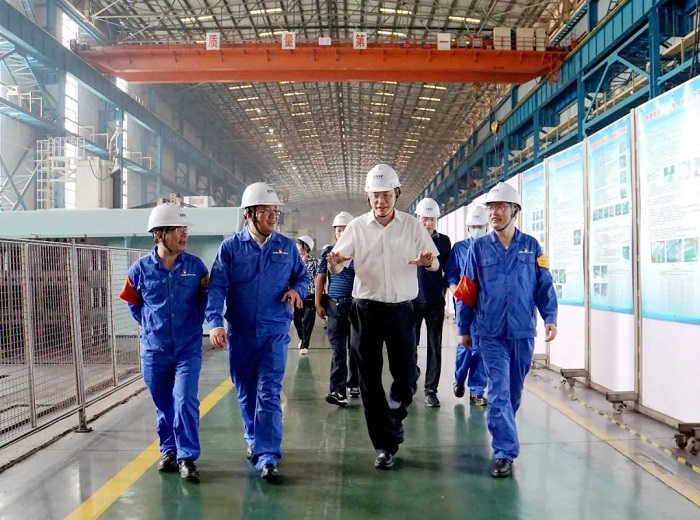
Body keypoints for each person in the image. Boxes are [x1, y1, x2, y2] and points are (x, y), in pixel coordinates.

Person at [327, 164, 439, 470]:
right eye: (376, 195)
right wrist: (335, 263)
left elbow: (434, 264)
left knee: (406, 376)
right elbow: (337, 264)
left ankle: (395, 414)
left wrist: (428, 262)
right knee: (369, 380)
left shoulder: (412, 226)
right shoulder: (357, 227)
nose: (381, 201)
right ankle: (384, 445)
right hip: (366, 310)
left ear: (396, 194)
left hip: (402, 309)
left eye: (386, 195)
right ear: (368, 197)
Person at [206, 181, 309, 483]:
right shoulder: (231, 248)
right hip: (241, 333)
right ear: (249, 214)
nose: (273, 216)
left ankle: (267, 455)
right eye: (266, 211)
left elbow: (302, 277)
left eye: (275, 211)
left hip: (275, 330)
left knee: (269, 391)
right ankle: (253, 437)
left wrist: (297, 290)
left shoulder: (286, 247)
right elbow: (217, 287)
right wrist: (215, 322)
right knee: (245, 390)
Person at [456, 182, 558, 478]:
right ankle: (504, 452)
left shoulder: (532, 246)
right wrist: (464, 327)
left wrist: (550, 316)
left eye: (500, 207)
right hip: (489, 332)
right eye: (491, 207)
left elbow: (544, 285)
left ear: (515, 211)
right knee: (499, 392)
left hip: (522, 332)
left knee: (513, 393)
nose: (494, 213)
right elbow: (467, 290)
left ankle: (504, 434)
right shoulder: (478, 248)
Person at [119, 203, 208, 483]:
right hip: (154, 351)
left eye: (185, 229)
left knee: (184, 400)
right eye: (178, 229)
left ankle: (187, 457)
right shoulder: (139, 270)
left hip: (187, 348)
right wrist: (150, 325)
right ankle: (169, 450)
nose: (184, 234)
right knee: (164, 403)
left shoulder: (196, 267)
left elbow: (206, 299)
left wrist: (196, 322)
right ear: (159, 235)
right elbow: (132, 302)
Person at [315, 211, 360, 408]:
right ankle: (337, 391)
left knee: (356, 347)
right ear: (334, 232)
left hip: (357, 305)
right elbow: (321, 278)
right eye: (338, 230)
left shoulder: (359, 251)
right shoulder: (328, 251)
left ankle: (354, 383)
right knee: (339, 350)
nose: (341, 233)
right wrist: (318, 303)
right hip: (335, 306)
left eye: (345, 230)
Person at [445, 205, 489, 406]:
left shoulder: (493, 248)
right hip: (465, 304)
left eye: (480, 226)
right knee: (466, 345)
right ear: (468, 227)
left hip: (486, 306)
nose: (477, 230)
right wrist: (455, 289)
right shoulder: (460, 248)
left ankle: (477, 390)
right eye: (474, 226)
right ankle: (459, 378)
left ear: (487, 226)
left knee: (481, 350)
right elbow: (451, 272)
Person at [412, 198, 452, 408]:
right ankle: (411, 379)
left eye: (432, 219)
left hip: (435, 302)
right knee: (409, 345)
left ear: (437, 220)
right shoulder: (409, 240)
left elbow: (447, 271)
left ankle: (431, 390)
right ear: (417, 218)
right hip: (412, 301)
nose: (428, 223)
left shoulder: (444, 242)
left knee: (434, 347)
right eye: (424, 219)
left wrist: (445, 293)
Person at [294, 235, 318, 356]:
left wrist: (320, 293)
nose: (297, 247)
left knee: (308, 320)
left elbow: (318, 277)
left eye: (299, 245)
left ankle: (304, 345)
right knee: (297, 320)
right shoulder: (295, 260)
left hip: (310, 294)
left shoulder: (314, 261)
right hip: (298, 294)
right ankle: (302, 337)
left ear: (305, 247)